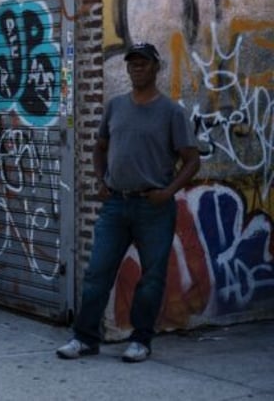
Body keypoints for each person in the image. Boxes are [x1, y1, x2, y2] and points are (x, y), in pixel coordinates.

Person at [56, 42, 200, 363]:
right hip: (116, 205)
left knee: (151, 276)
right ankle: (85, 338)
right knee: (97, 273)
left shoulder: (172, 112)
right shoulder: (115, 106)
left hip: (154, 206)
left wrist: (169, 191)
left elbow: (192, 160)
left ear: (156, 69)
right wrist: (100, 179)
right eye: (132, 64)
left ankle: (141, 339)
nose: (137, 68)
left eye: (143, 63)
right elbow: (100, 147)